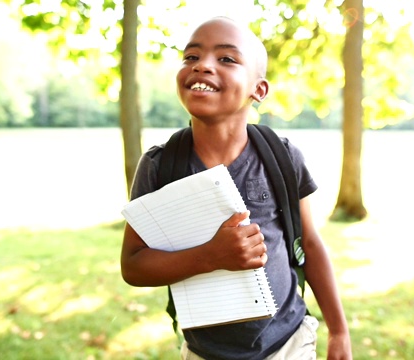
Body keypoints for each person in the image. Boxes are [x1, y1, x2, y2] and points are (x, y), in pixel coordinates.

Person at [121, 16, 352, 360]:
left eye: (226, 59)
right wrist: (210, 256)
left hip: (288, 343)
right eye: (191, 57)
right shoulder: (159, 166)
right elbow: (133, 266)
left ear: (258, 90)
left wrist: (339, 330)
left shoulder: (283, 157)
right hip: (205, 352)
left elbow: (311, 244)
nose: (203, 67)